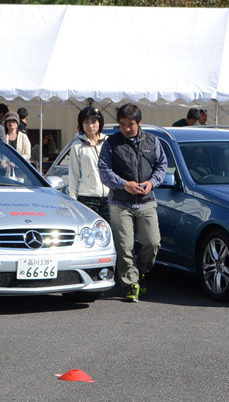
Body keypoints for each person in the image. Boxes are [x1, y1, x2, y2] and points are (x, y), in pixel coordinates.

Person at [98, 103, 167, 303]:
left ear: (139, 123)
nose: (126, 128)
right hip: (120, 202)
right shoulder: (111, 143)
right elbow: (104, 170)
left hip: (146, 201)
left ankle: (142, 272)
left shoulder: (153, 141)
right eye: (122, 124)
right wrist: (123, 184)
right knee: (124, 246)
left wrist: (151, 183)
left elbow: (161, 166)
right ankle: (131, 284)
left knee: (152, 243)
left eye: (131, 124)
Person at [69, 106, 110, 223]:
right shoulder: (77, 145)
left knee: (110, 229)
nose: (90, 126)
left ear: (99, 123)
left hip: (108, 196)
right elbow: (73, 173)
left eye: (93, 122)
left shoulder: (108, 142)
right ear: (81, 124)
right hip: (87, 196)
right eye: (86, 122)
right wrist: (73, 198)